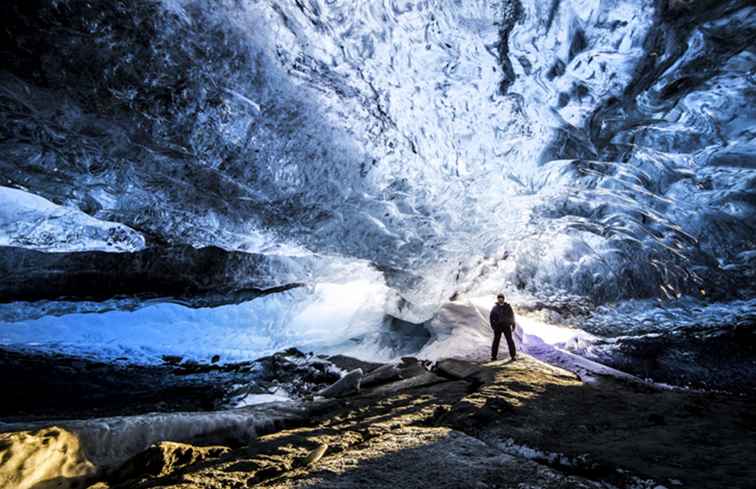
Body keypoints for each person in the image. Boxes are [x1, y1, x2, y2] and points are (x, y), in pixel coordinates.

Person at [489, 293, 517, 361]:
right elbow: (491, 317)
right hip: (498, 327)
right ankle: (493, 357)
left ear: (503, 299)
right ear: (497, 299)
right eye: (499, 298)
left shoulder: (508, 307)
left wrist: (513, 325)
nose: (500, 299)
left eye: (501, 298)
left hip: (506, 326)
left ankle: (513, 356)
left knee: (510, 341)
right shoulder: (495, 308)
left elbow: (512, 316)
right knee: (496, 341)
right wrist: (493, 326)